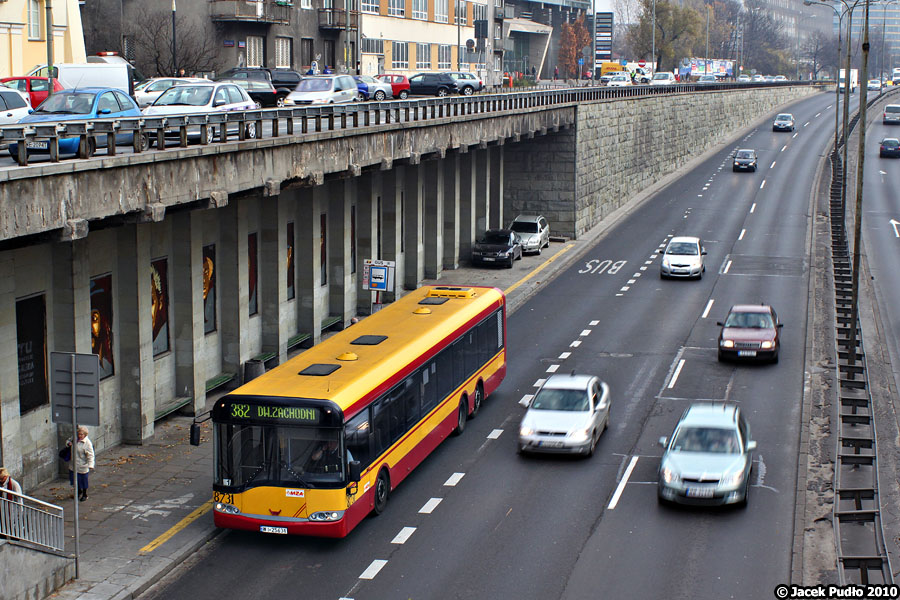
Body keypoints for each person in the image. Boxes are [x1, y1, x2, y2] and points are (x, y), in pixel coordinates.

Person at [68, 426, 95, 501]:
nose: (79, 436)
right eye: (79, 434)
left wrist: (90, 465)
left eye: (81, 434)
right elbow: (68, 442)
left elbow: (90, 455)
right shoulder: (74, 438)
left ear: (85, 435)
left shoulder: (87, 443)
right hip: (73, 464)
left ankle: (84, 494)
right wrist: (69, 444)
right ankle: (78, 491)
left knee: (83, 481)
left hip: (82, 465)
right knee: (74, 480)